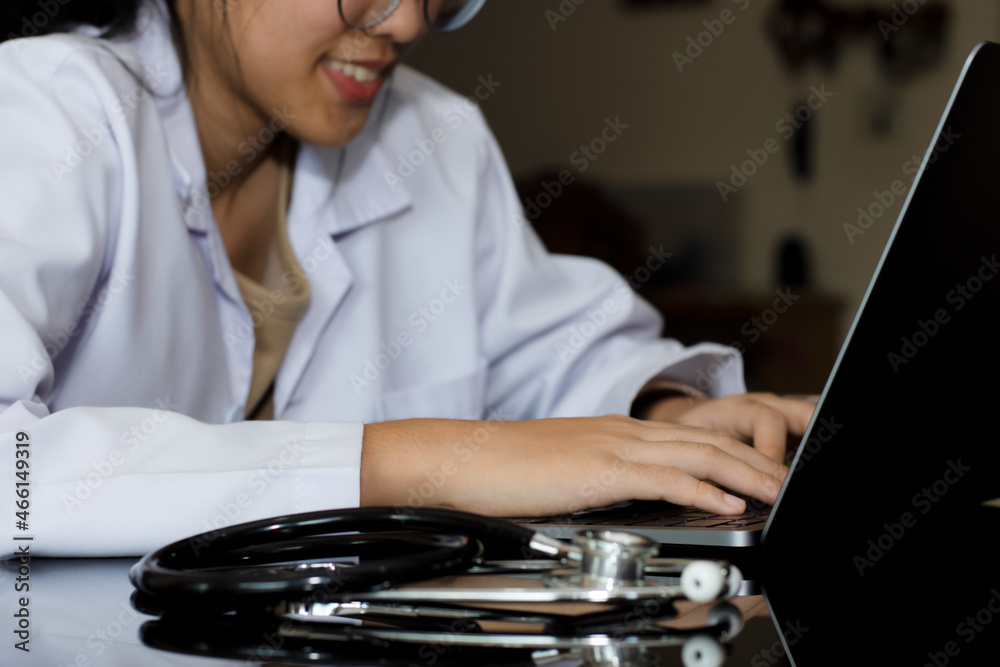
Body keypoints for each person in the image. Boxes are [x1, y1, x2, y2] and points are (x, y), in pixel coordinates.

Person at [0, 0, 814, 559]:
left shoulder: (435, 136)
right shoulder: (47, 112)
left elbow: (548, 360)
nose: (409, 22)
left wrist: (670, 417)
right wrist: (408, 462)